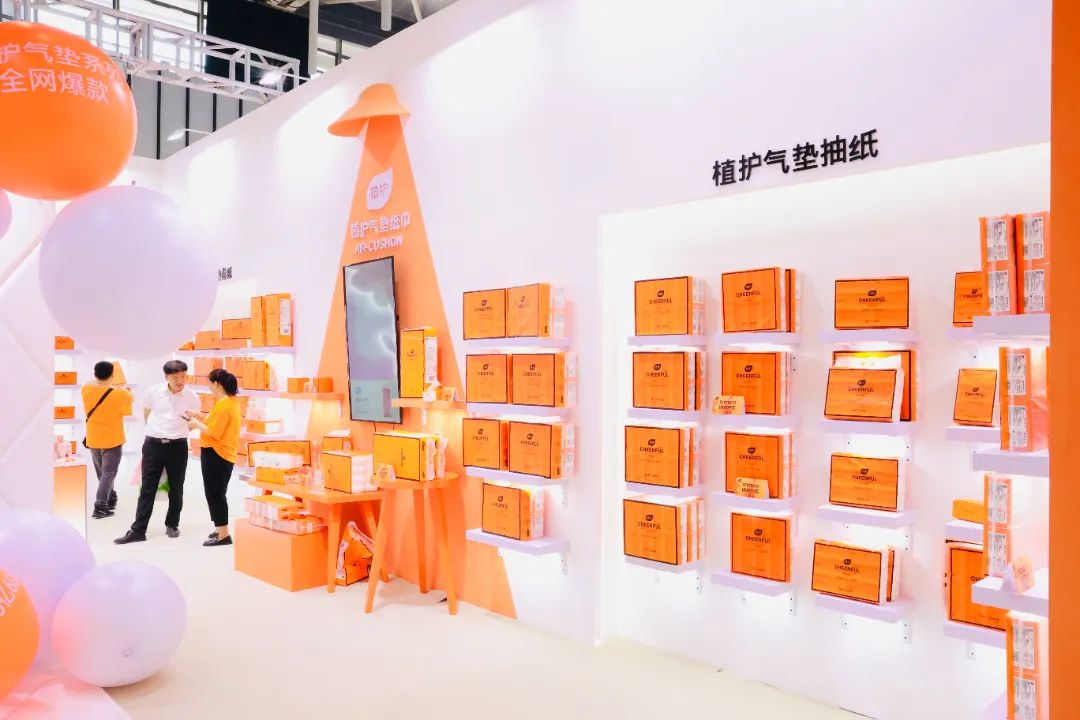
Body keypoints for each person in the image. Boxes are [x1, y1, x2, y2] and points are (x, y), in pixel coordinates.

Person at [115, 360, 200, 544]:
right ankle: (138, 530)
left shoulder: (192, 397)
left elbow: (193, 422)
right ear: (166, 377)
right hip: (153, 446)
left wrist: (177, 433)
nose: (180, 380)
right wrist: (157, 432)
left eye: (183, 376)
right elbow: (146, 414)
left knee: (176, 488)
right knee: (147, 489)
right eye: (175, 377)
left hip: (178, 447)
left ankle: (172, 524)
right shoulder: (153, 392)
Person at [185, 368, 242, 547]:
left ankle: (223, 535)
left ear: (217, 384)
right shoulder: (229, 402)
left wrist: (195, 424)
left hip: (217, 453)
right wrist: (199, 416)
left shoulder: (224, 405)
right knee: (216, 492)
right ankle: (220, 529)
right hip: (222, 453)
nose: (208, 387)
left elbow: (213, 432)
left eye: (209, 383)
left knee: (215, 494)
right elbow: (215, 423)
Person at [82, 361, 133, 519]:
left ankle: (111, 498)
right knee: (108, 473)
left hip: (93, 439)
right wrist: (118, 386)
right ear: (112, 375)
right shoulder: (121, 394)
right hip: (112, 439)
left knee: (102, 474)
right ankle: (100, 507)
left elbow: (90, 382)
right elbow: (131, 398)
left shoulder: (86, 389)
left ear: (95, 374)